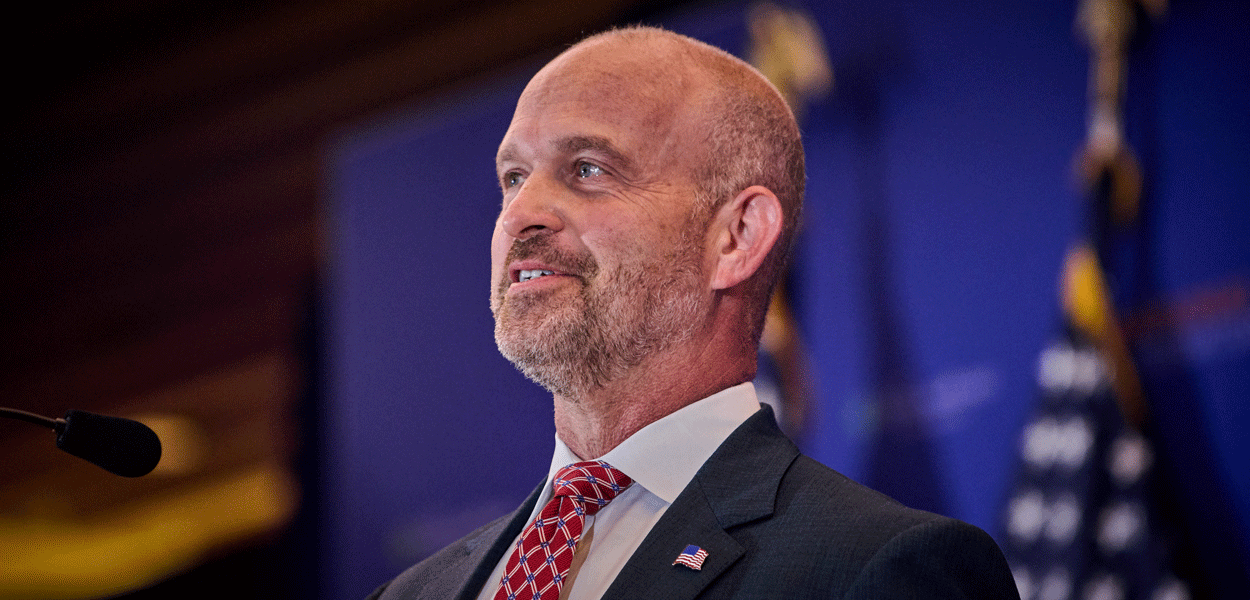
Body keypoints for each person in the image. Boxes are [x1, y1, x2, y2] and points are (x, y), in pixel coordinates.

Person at [368, 26, 1020, 600]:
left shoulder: (878, 569)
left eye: (588, 168)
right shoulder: (410, 593)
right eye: (513, 178)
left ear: (737, 236)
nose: (519, 215)